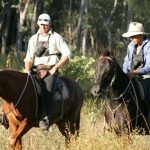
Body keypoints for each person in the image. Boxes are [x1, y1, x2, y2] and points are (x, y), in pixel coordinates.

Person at [24, 13, 71, 130]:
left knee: (47, 87)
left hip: (50, 70)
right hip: (35, 69)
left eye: (46, 24)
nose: (43, 26)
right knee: (21, 85)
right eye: (41, 24)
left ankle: (46, 117)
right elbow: (29, 58)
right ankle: (9, 115)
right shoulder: (33, 39)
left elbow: (67, 55)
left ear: (50, 24)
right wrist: (27, 69)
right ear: (38, 24)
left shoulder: (56, 37)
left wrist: (54, 68)